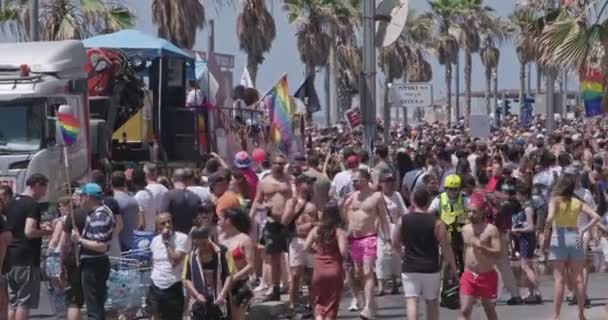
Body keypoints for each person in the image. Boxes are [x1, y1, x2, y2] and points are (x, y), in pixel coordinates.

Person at [392, 188, 458, 320]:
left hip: (410, 267)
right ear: (428, 201)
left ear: (413, 201)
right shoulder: (437, 222)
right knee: (431, 302)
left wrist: (402, 255)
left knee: (411, 300)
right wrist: (452, 266)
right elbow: (445, 247)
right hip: (431, 267)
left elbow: (395, 243)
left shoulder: (403, 220)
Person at [541, 174, 600, 320]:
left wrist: (545, 232)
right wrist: (583, 229)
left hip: (559, 238)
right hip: (575, 237)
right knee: (578, 278)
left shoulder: (555, 200)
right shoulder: (577, 202)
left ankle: (556, 315)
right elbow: (596, 217)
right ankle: (581, 314)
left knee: (559, 279)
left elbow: (549, 218)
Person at [342, 169, 390, 319]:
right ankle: (369, 302)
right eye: (353, 180)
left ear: (365, 179)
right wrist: (343, 205)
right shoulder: (352, 196)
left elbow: (383, 218)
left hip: (369, 237)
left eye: (357, 180)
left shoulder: (376, 196)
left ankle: (368, 307)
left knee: (368, 271)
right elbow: (346, 217)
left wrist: (387, 239)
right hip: (354, 239)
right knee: (358, 272)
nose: (354, 182)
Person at [5, 173, 52, 320]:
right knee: (24, 303)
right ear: (37, 185)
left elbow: (16, 227)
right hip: (27, 259)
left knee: (13, 303)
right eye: (44, 188)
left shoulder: (12, 202)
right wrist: (46, 231)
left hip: (10, 258)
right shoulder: (32, 204)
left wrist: (39, 226)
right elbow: (29, 231)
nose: (44, 193)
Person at [251, 154, 293, 302]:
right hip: (272, 223)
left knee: (293, 258)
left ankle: (295, 289)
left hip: (289, 223)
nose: (280, 166)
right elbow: (257, 202)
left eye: (283, 163)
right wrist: (262, 208)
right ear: (272, 164)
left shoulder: (290, 181)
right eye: (277, 163)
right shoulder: (264, 182)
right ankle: (275, 289)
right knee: (274, 258)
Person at [71, 183, 114, 320]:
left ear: (88, 197)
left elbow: (100, 245)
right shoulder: (97, 212)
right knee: (96, 305)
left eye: (82, 195)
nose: (80, 198)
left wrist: (79, 240)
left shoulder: (100, 215)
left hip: (94, 264)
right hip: (94, 263)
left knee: (94, 307)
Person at [458, 193, 501, 320]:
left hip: (486, 275)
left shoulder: (491, 230)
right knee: (465, 310)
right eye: (469, 212)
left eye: (474, 212)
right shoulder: (465, 229)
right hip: (469, 275)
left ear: (482, 212)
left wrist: (482, 247)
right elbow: (465, 251)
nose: (470, 215)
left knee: (488, 308)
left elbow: (497, 252)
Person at [428, 174, 468, 308]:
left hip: (462, 235)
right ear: (446, 188)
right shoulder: (439, 199)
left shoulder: (464, 199)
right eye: (451, 189)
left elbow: (473, 212)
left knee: (465, 265)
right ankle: (443, 294)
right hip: (446, 236)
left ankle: (466, 294)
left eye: (456, 189)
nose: (453, 192)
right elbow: (430, 212)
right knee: (445, 266)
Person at [281, 174, 318, 311]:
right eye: (307, 183)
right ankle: (293, 304)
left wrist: (313, 226)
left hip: (310, 240)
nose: (309, 186)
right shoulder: (292, 202)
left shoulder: (313, 203)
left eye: (310, 183)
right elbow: (284, 221)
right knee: (295, 274)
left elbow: (319, 222)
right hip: (296, 240)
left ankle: (312, 304)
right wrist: (295, 207)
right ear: (298, 185)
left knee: (312, 276)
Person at [305, 202, 347, 320]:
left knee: (319, 300)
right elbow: (343, 251)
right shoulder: (339, 232)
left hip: (319, 270)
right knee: (332, 303)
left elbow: (306, 247)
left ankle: (319, 317)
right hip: (334, 269)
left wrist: (317, 253)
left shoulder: (316, 230)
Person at [147, 213, 190, 320]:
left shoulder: (182, 238)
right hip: (155, 284)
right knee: (155, 315)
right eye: (163, 223)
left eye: (169, 222)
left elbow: (174, 261)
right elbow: (154, 262)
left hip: (172, 285)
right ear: (157, 227)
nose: (167, 225)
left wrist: (166, 241)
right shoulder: (155, 240)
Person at [184, 226, 229, 320]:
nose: (201, 247)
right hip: (199, 301)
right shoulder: (190, 256)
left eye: (203, 244)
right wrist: (196, 295)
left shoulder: (222, 252)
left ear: (209, 238)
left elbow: (229, 276)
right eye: (197, 244)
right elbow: (187, 279)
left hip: (218, 299)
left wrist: (222, 295)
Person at [218, 208, 255, 320]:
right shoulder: (220, 239)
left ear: (228, 221)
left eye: (220, 218)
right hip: (222, 284)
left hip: (239, 284)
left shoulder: (244, 239)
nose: (218, 221)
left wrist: (234, 277)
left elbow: (250, 265)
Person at [376, 170, 405, 296]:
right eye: (386, 181)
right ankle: (381, 286)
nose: (389, 184)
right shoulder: (378, 196)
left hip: (395, 231)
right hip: (382, 231)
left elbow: (403, 211)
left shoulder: (397, 195)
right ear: (381, 183)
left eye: (390, 181)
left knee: (395, 258)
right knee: (381, 258)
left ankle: (394, 283)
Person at [512, 183, 542, 304]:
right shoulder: (525, 206)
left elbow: (530, 227)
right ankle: (531, 293)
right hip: (524, 239)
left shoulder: (528, 208)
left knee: (525, 266)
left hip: (527, 239)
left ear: (521, 195)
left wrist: (517, 230)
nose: (516, 196)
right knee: (528, 266)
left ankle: (537, 290)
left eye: (517, 194)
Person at [161, 169, 202, 234]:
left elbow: (163, 217)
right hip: (191, 235)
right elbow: (199, 219)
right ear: (186, 180)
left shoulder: (168, 196)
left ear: (172, 179)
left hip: (174, 236)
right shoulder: (195, 197)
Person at [111, 171, 141, 252]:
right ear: (124, 183)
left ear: (111, 183)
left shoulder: (112, 201)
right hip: (132, 243)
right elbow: (138, 223)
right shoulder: (133, 200)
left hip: (118, 244)